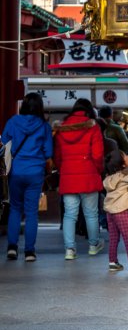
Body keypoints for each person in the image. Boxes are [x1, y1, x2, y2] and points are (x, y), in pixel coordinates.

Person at [2, 92, 53, 262]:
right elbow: (48, 152)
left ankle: (12, 248)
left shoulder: (13, 121)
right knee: (31, 213)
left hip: (16, 171)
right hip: (35, 172)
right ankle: (30, 251)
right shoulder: (44, 126)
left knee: (15, 209)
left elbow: (3, 141)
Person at [53, 98, 105, 260]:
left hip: (68, 176)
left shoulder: (62, 128)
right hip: (88, 175)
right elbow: (97, 155)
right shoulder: (93, 126)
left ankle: (70, 249)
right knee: (91, 214)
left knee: (69, 215)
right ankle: (93, 245)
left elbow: (58, 156)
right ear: (89, 110)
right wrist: (97, 170)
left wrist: (65, 169)